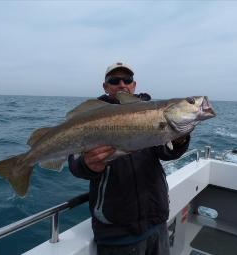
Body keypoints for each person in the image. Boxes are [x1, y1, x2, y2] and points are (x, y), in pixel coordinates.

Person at [68, 62, 190, 255]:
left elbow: (167, 152)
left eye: (128, 80)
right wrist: (88, 165)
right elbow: (74, 163)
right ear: (106, 87)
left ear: (134, 85)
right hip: (116, 233)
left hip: (157, 222)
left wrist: (180, 137)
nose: (122, 84)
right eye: (115, 80)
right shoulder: (89, 117)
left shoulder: (152, 114)